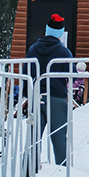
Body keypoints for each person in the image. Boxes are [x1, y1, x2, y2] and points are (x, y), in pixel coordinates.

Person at [25, 14, 74, 166]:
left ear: (46, 30)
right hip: (56, 99)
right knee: (59, 137)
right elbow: (71, 74)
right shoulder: (64, 53)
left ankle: (28, 169)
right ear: (61, 33)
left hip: (36, 96)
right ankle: (63, 171)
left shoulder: (33, 49)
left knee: (33, 137)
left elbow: (27, 71)